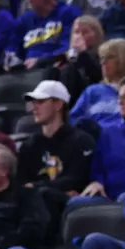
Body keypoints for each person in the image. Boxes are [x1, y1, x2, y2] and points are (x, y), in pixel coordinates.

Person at [17, 80, 94, 217]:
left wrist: (36, 187)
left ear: (58, 104)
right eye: (33, 103)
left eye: (40, 102)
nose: (34, 107)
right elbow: (21, 182)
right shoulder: (30, 144)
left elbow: (77, 180)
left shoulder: (81, 141)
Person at [15, 0, 81, 69]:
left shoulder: (69, 14)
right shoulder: (24, 20)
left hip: (54, 70)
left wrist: (41, 61)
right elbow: (13, 50)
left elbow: (68, 49)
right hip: (27, 73)